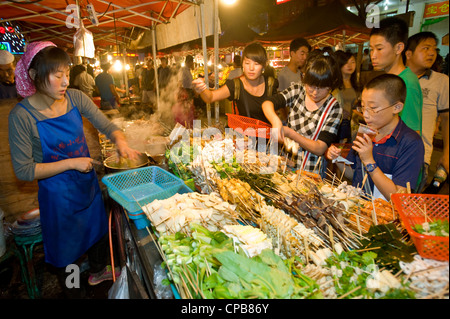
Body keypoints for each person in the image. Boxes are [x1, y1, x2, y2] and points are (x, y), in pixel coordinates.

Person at [8, 41, 140, 296]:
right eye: (57, 76)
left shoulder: (76, 98)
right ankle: (73, 291)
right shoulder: (21, 116)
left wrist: (121, 141)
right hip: (58, 198)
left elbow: (104, 123)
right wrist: (71, 163)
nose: (65, 82)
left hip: (86, 185)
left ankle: (98, 271)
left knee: (98, 232)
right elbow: (23, 170)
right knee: (67, 255)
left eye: (67, 74)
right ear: (35, 76)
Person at [326, 74, 424, 200]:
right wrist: (337, 159)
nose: (365, 115)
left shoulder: (411, 143)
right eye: (363, 107)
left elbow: (399, 197)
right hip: (358, 210)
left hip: (384, 216)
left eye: (373, 108)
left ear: (397, 107)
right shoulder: (365, 133)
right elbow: (354, 175)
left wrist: (369, 161)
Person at [262, 50, 343, 173]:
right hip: (286, 163)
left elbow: (320, 148)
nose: (315, 92)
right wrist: (276, 122)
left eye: (322, 88)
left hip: (310, 170)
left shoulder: (334, 108)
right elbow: (267, 103)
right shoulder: (298, 90)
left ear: (331, 85)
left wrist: (291, 133)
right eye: (311, 86)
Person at [405, 31, 449, 192]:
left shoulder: (441, 81)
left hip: (419, 155)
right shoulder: (398, 78)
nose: (432, 53)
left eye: (434, 49)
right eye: (426, 48)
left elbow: (446, 119)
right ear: (408, 53)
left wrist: (447, 154)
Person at [192, 43, 278, 124]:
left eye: (256, 64)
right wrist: (202, 89)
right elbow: (210, 97)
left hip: (268, 137)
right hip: (244, 137)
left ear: (263, 65)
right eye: (247, 63)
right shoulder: (236, 84)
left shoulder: (271, 84)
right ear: (242, 64)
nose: (251, 68)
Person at [369, 17, 423, 135]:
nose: (373, 55)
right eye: (371, 49)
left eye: (379, 48)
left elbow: (413, 132)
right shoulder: (388, 80)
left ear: (398, 48)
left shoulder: (407, 83)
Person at [333, 50, 360, 143]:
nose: (350, 65)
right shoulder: (335, 85)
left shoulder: (356, 84)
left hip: (353, 124)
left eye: (352, 62)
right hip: (340, 124)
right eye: (346, 63)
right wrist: (340, 113)